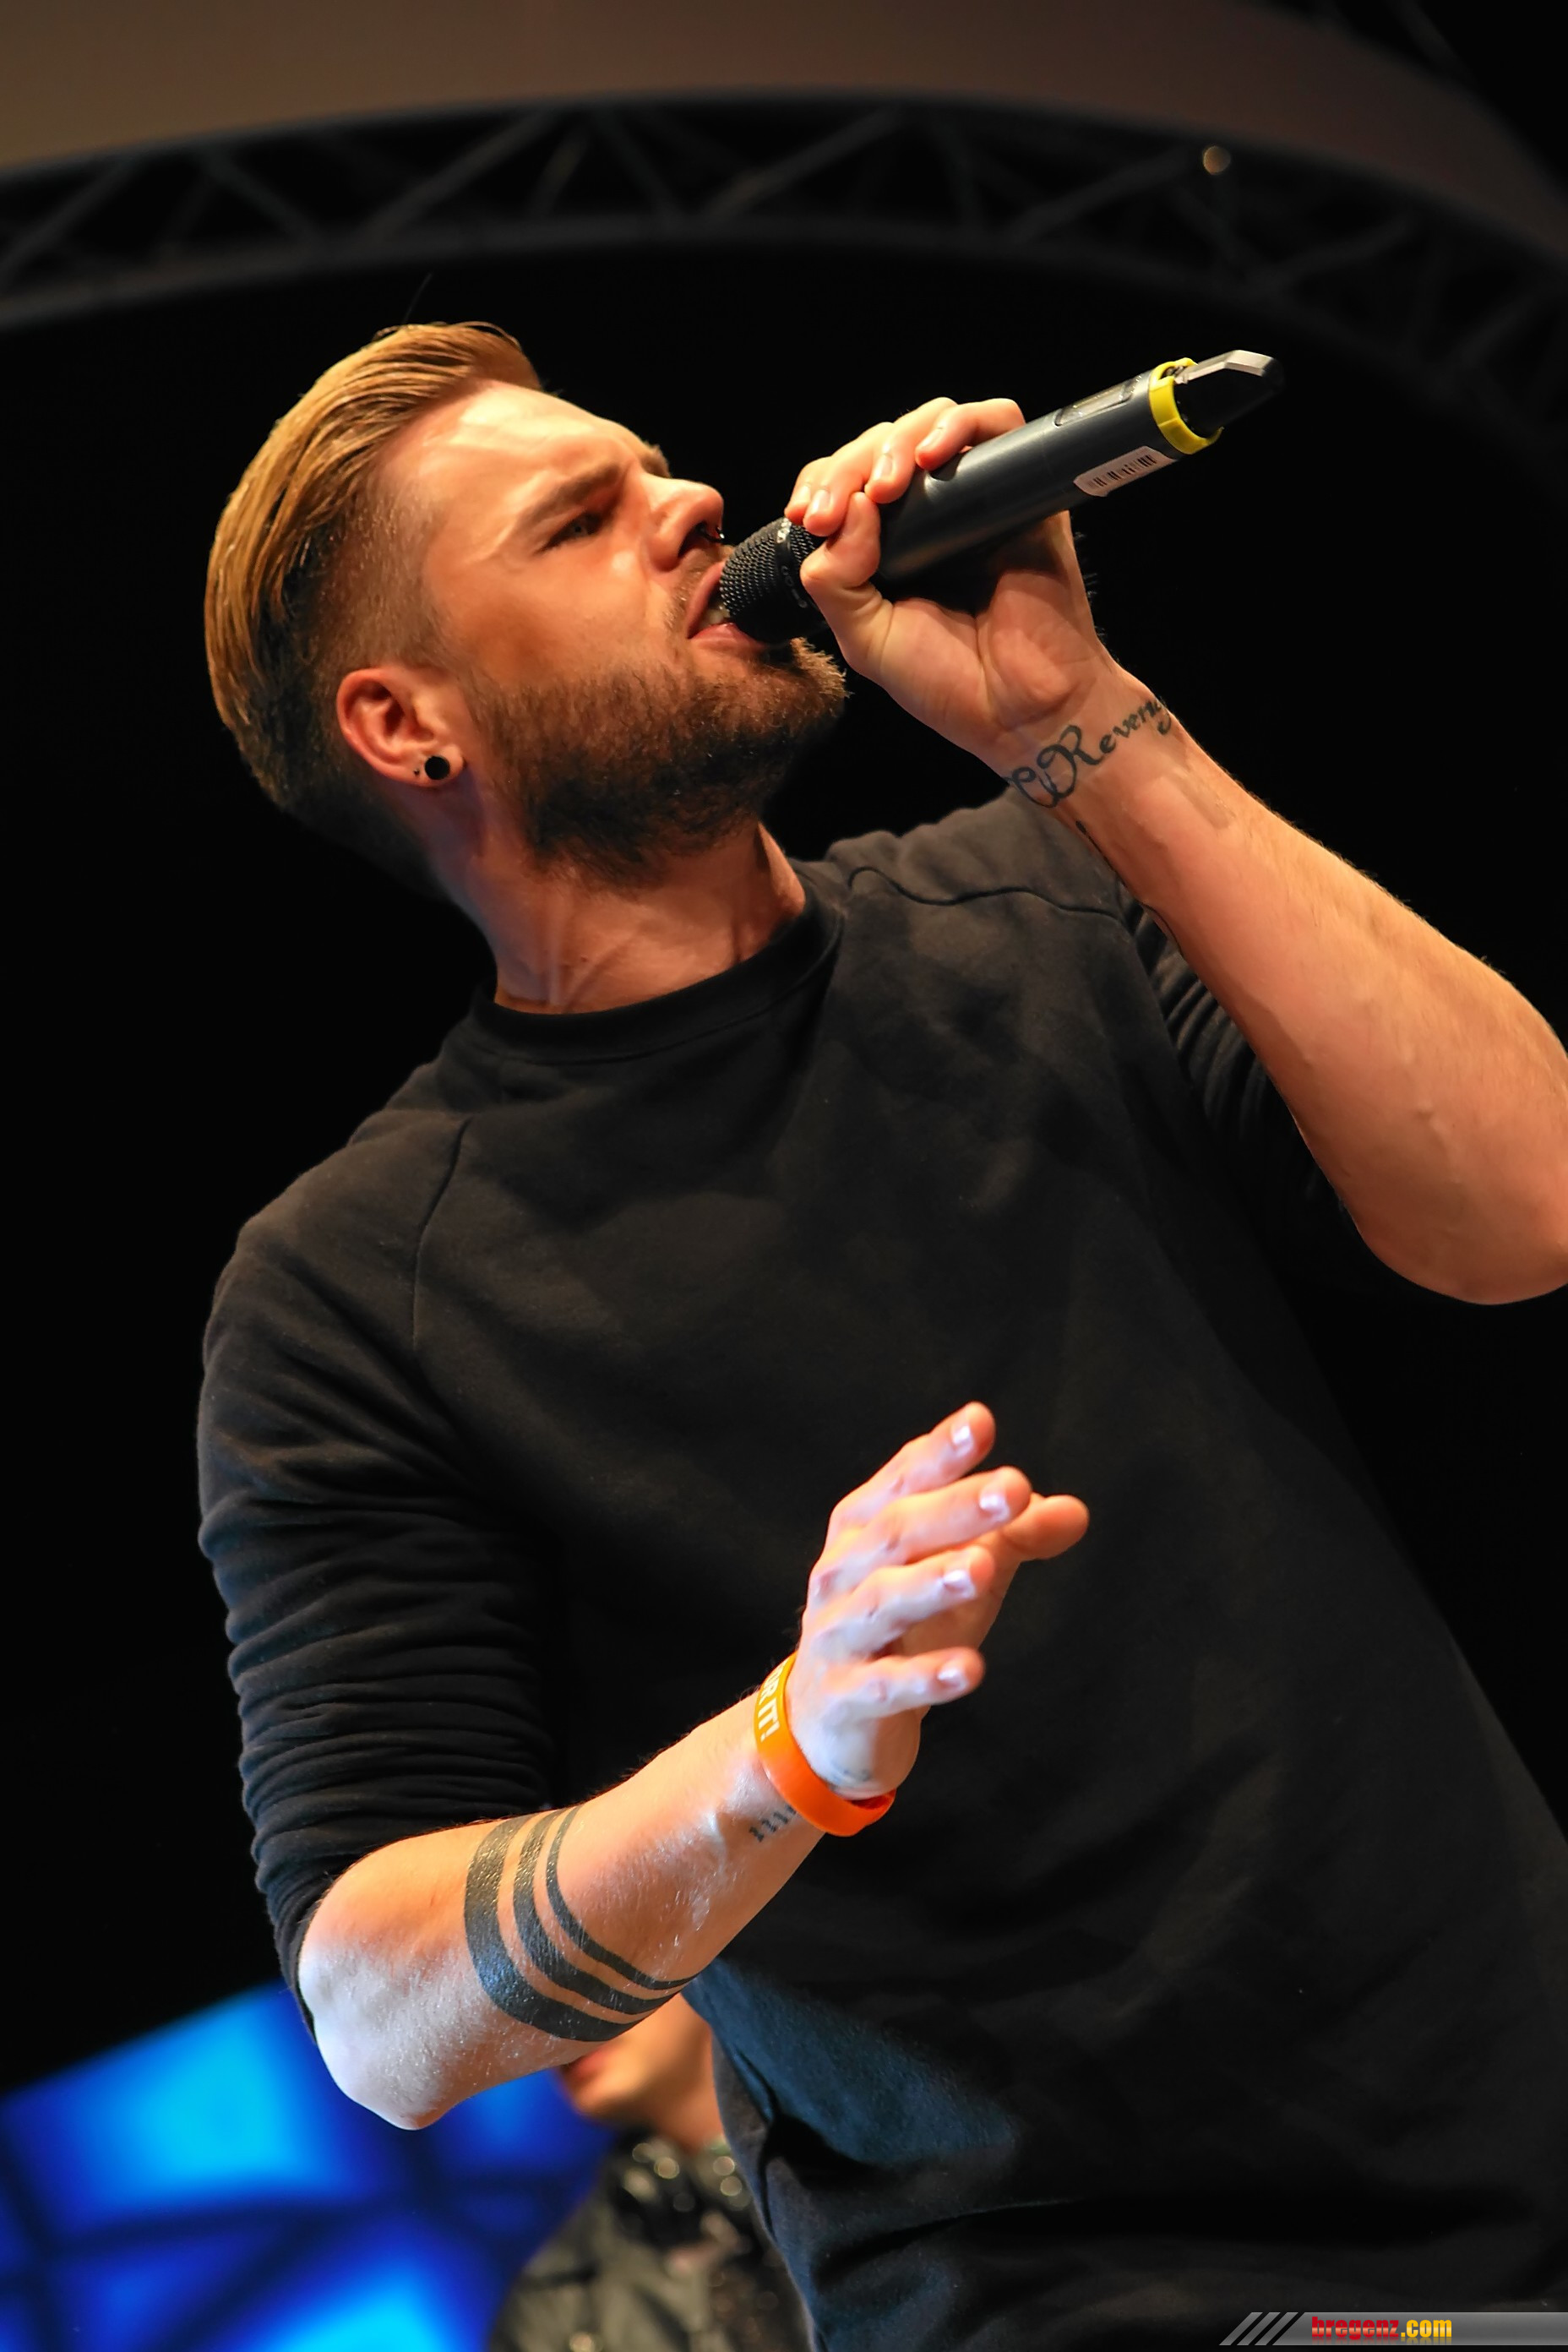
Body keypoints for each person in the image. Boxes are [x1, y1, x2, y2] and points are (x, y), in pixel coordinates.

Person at [199, 322, 1568, 2347]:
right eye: (578, 520)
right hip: (1094, 2297)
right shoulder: (356, 1288)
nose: (691, 505)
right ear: (409, 725)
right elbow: (383, 2015)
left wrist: (1078, 718)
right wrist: (789, 1746)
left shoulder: (1035, 891)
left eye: (658, 466)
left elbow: (1529, 1210)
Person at [490, 1996, 811, 2351]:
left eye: (601, 1973)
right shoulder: (552, 2309)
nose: (560, 2023)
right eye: (535, 1996)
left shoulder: (854, 2166)